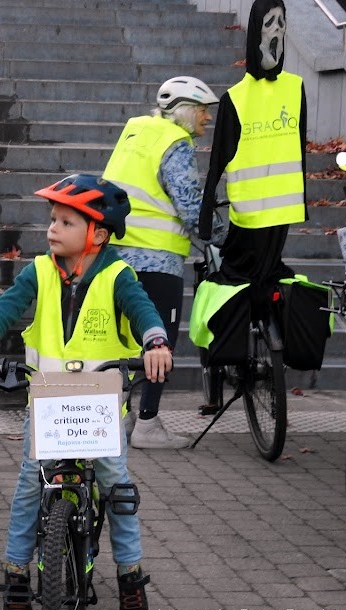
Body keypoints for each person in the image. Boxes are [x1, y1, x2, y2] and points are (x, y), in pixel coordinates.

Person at [0, 174, 173, 610]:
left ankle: (131, 574)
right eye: (52, 220)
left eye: (66, 221)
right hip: (49, 403)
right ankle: (16, 572)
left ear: (97, 234)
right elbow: (6, 307)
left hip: (100, 407)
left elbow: (143, 311)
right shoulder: (38, 272)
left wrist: (155, 342)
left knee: (116, 487)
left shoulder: (118, 275)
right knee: (28, 485)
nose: (53, 229)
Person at [102, 76, 222, 449]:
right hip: (157, 259)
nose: (207, 118)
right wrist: (221, 236)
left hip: (115, 254)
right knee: (158, 342)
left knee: (121, 340)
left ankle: (120, 419)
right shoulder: (176, 143)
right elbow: (189, 204)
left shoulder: (137, 130)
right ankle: (148, 425)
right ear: (185, 111)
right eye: (203, 110)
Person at [198, 0, 305, 302]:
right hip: (247, 219)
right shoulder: (236, 98)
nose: (277, 31)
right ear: (255, 31)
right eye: (270, 23)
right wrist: (207, 218)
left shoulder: (295, 89)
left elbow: (299, 152)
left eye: (282, 23)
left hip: (281, 217)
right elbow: (217, 161)